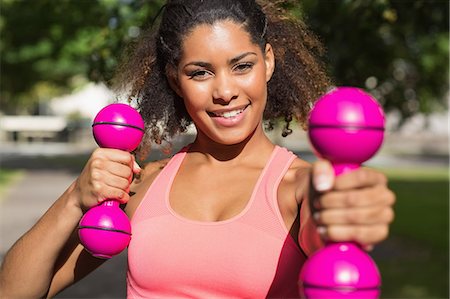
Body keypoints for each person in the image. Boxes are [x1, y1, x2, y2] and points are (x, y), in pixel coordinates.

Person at [0, 0, 395, 298]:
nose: (224, 92)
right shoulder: (144, 184)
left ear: (268, 62)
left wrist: (347, 210)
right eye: (200, 72)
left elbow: (329, 222)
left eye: (242, 66)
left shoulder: (299, 189)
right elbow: (17, 291)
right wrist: (75, 197)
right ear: (175, 79)